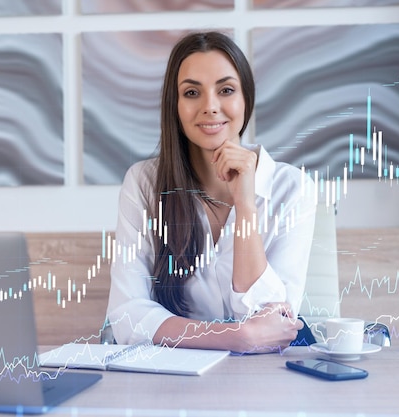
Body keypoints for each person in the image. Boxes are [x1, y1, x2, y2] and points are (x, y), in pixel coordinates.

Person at [106, 31, 316, 353]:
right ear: (175, 105)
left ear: (246, 98)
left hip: (264, 380)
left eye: (226, 90)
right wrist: (236, 337)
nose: (210, 107)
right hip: (172, 378)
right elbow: (128, 316)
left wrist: (246, 205)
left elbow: (276, 323)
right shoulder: (143, 185)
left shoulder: (293, 188)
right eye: (192, 92)